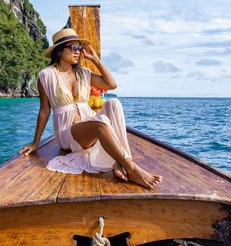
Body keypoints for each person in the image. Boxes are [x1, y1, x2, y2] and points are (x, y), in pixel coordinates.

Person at [19, 28, 162, 189]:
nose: (78, 52)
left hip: (88, 125)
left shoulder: (83, 74)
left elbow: (111, 85)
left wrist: (95, 59)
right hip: (68, 133)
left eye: (79, 48)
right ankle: (131, 168)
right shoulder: (46, 75)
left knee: (114, 104)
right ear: (59, 51)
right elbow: (44, 110)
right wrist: (35, 142)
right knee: (100, 123)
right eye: (73, 48)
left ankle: (119, 163)